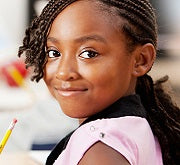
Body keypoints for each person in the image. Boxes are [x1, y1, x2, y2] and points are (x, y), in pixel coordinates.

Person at [18, 0, 180, 164]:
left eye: (88, 54)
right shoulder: (135, 124)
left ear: (140, 60)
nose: (63, 72)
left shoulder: (100, 149)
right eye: (53, 52)